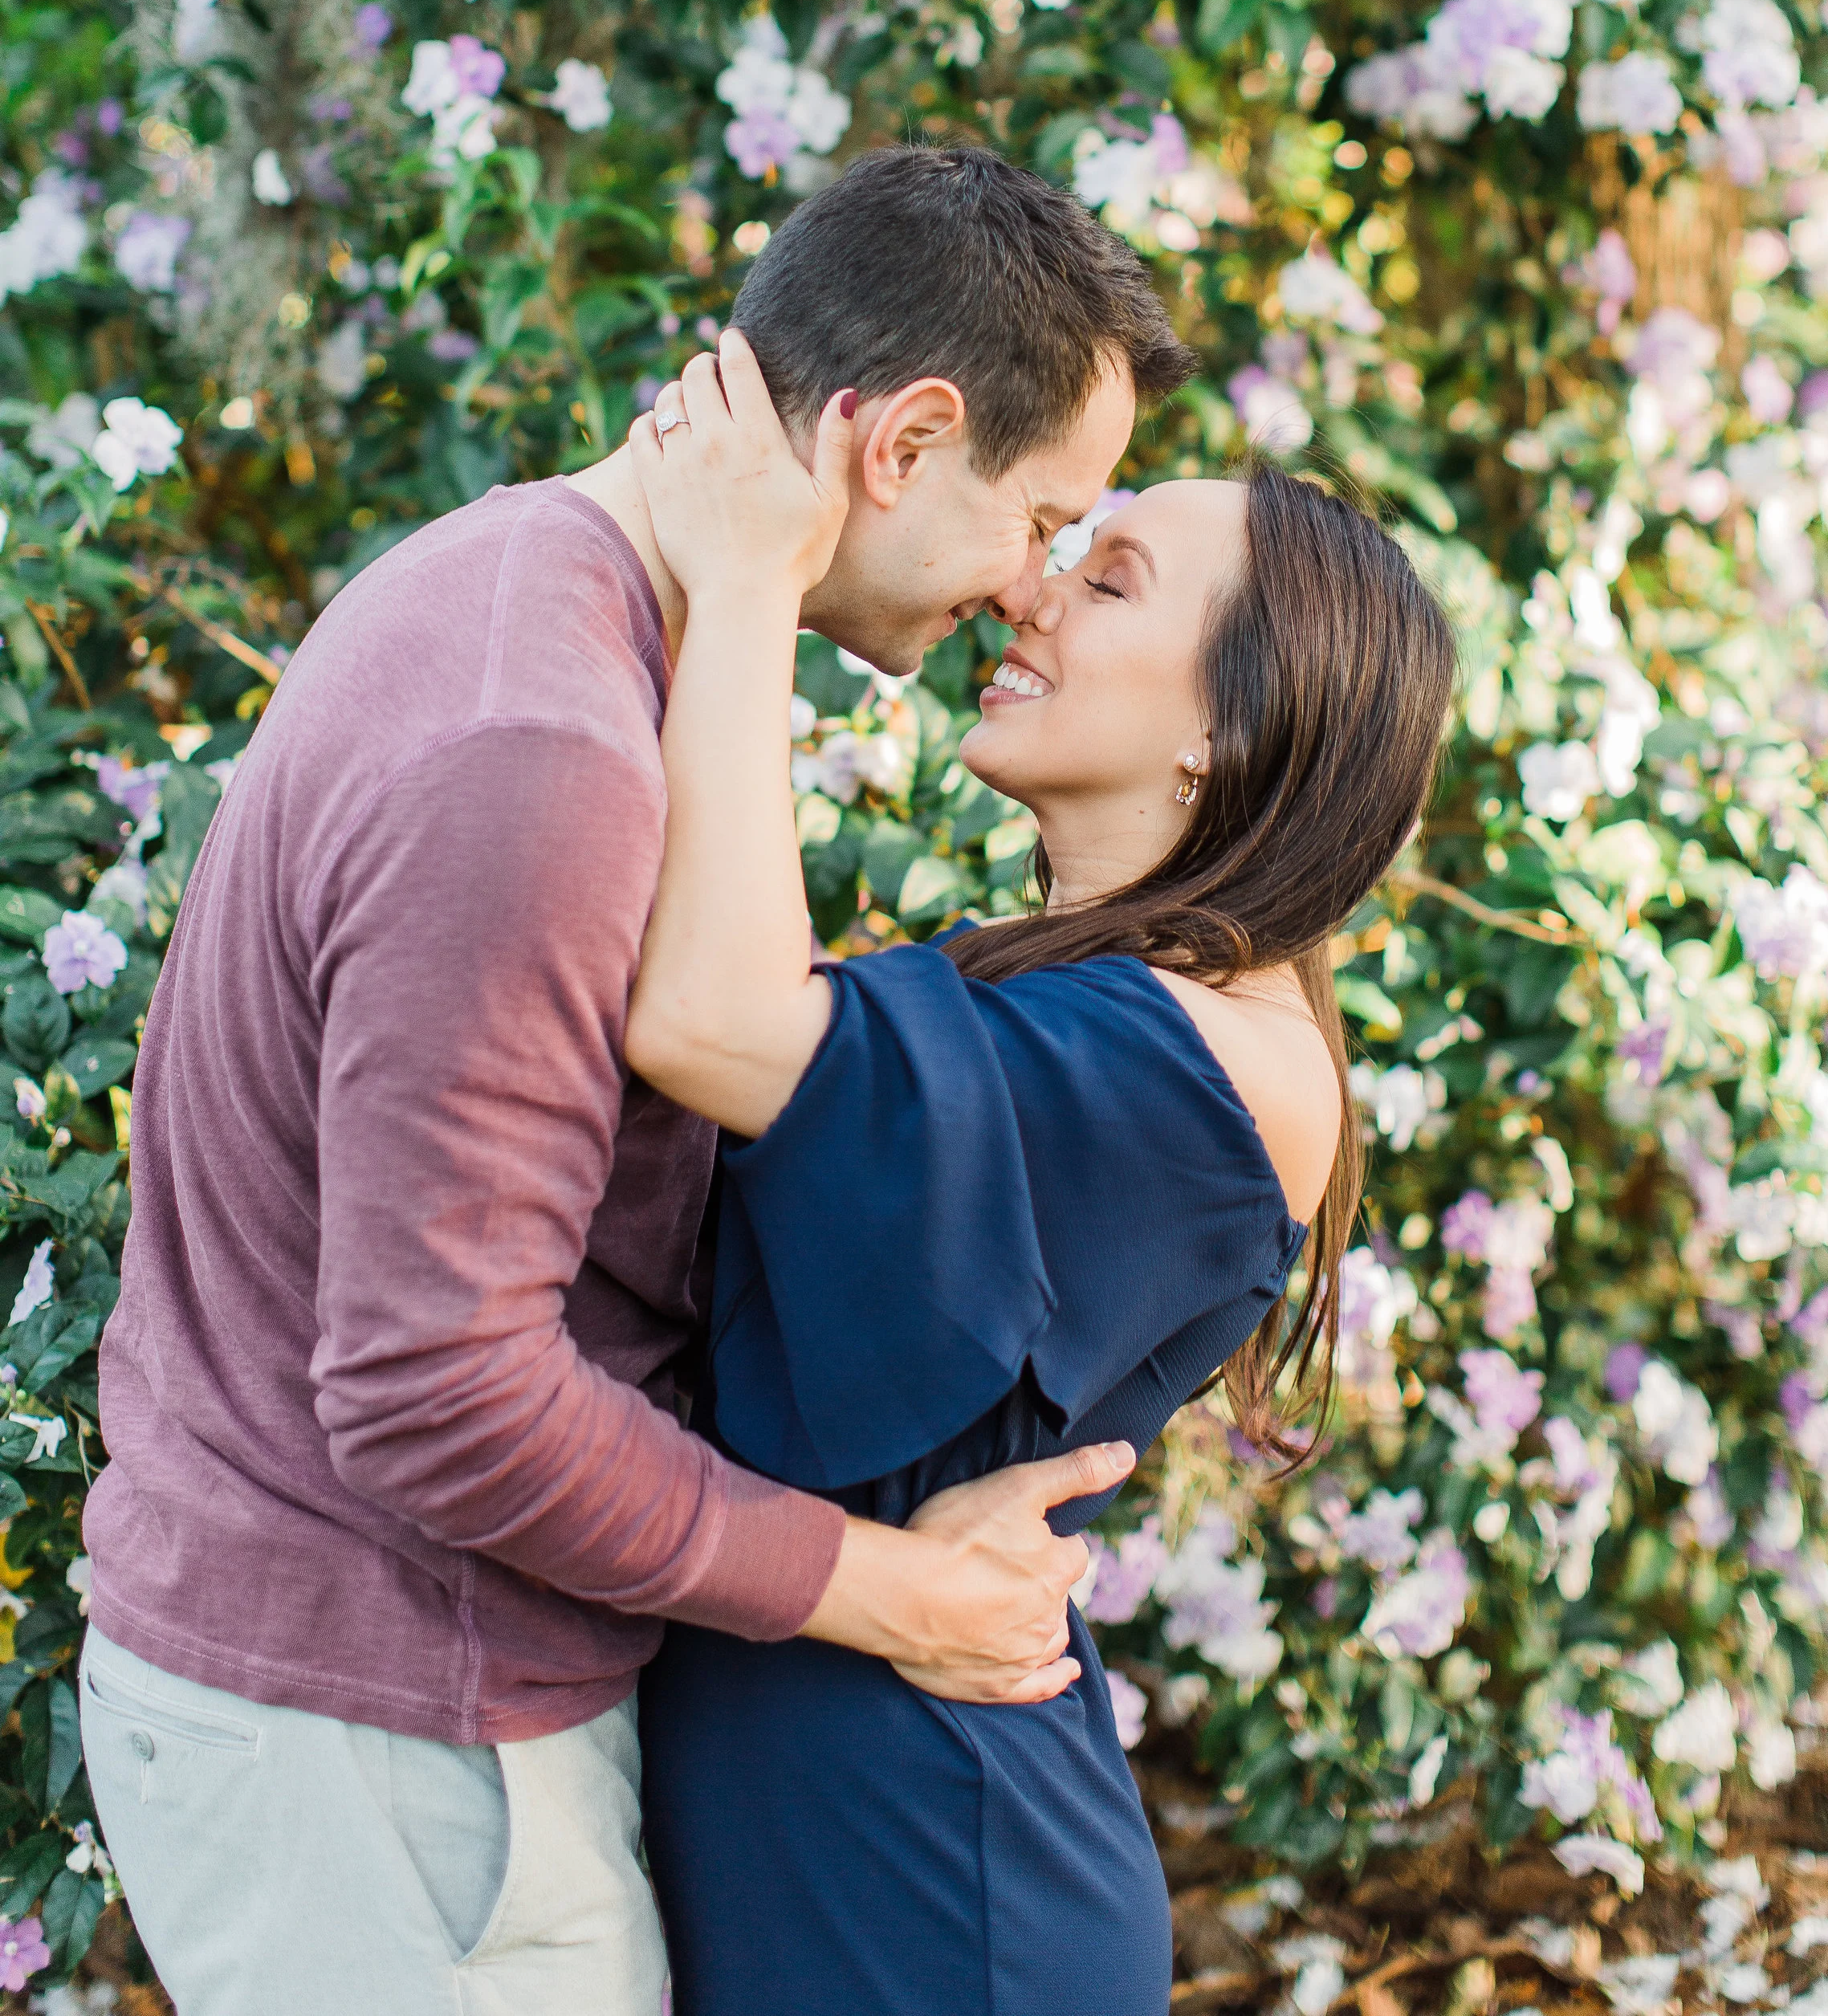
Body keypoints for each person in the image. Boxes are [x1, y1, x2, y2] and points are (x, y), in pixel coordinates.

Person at [78, 147, 1195, 2016]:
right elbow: (437, 1387)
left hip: (385, 1709)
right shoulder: (542, 745)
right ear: (903, 446)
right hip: (385, 1740)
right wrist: (882, 1590)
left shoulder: (549, 604)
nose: (1037, 594)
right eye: (1045, 518)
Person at [620, 328, 1458, 2016]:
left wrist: (742, 577)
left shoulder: (1209, 1064)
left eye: (1112, 577)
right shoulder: (1075, 994)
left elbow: (709, 1019)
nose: (1031, 596)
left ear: (1231, 725)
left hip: (936, 1889)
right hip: (837, 1818)